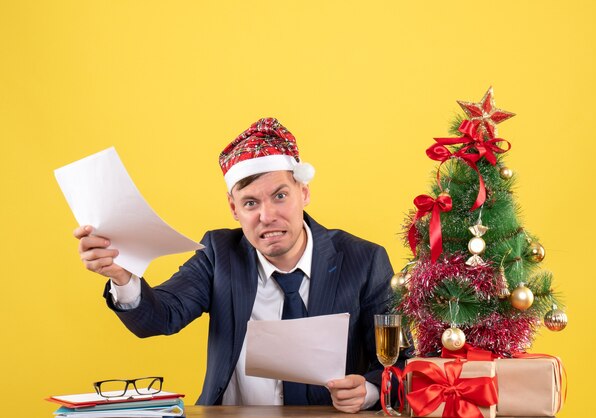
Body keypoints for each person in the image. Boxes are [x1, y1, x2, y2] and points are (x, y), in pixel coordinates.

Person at [74, 117, 394, 413]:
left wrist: (369, 390)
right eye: (250, 203)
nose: (266, 216)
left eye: (280, 196)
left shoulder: (364, 261)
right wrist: (122, 276)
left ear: (304, 192)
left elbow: (399, 364)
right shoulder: (220, 253)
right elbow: (160, 316)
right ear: (234, 208)